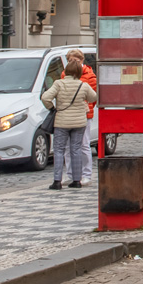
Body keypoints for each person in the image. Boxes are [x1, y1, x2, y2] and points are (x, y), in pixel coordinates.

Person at [41, 59, 97, 190]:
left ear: (66, 70)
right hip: (79, 122)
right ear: (78, 72)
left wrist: (52, 108)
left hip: (62, 121)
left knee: (59, 150)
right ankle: (77, 180)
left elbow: (45, 97)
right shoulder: (82, 85)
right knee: (76, 149)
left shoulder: (58, 84)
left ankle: (57, 181)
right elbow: (94, 97)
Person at [61, 49, 98, 185]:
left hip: (83, 114)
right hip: (68, 113)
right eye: (70, 61)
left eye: (75, 61)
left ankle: (86, 174)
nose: (73, 63)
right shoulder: (65, 74)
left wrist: (87, 108)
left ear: (81, 60)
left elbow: (93, 96)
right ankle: (70, 173)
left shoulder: (89, 75)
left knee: (83, 144)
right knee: (68, 146)